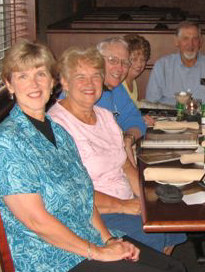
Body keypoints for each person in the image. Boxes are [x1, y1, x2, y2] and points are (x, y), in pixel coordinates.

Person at [0, 41, 190, 272]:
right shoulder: (6, 142)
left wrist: (108, 239)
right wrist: (98, 252)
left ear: (52, 81)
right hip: (46, 266)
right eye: (22, 76)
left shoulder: (57, 132)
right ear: (9, 85)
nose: (34, 84)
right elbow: (37, 221)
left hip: (81, 242)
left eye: (40, 74)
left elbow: (83, 196)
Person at [49, 46, 186, 253]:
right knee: (154, 234)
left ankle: (158, 266)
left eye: (96, 76)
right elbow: (72, 191)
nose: (90, 84)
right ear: (65, 82)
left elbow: (126, 166)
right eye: (80, 77)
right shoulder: (57, 125)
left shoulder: (104, 116)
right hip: (96, 213)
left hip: (126, 201)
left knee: (172, 217)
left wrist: (146, 200)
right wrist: (123, 205)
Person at [95, 37, 147, 164]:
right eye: (113, 60)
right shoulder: (86, 92)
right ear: (97, 61)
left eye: (125, 63)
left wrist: (128, 139)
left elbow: (136, 120)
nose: (119, 68)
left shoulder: (117, 88)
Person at [145, 21, 205, 105]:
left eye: (195, 39)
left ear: (200, 42)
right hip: (170, 113)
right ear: (176, 41)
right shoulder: (162, 66)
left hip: (204, 113)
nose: (190, 44)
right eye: (185, 39)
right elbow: (151, 102)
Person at [122, 34, 151, 107]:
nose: (139, 64)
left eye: (143, 60)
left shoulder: (133, 81)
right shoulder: (119, 83)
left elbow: (135, 105)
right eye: (134, 59)